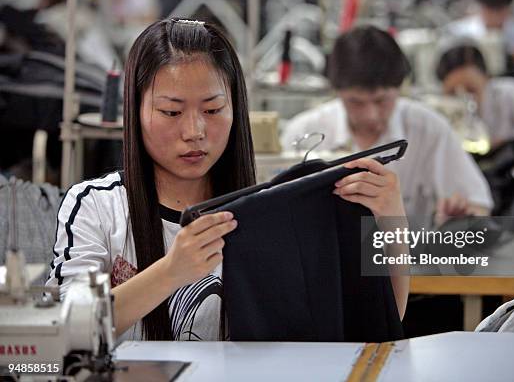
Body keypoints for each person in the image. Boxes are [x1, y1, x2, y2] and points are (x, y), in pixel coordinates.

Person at [46, 18, 409, 341]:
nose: (194, 130)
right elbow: (64, 333)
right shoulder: (95, 205)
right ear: (135, 110)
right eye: (171, 111)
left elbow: (379, 318)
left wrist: (392, 219)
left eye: (213, 109)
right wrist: (171, 272)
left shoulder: (275, 208)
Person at [281, 25, 494, 228]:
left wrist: (458, 222)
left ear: (400, 89)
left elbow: (479, 206)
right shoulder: (303, 133)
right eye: (356, 102)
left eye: (382, 101)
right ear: (336, 91)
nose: (371, 115)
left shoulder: (428, 130)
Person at [436, 44, 514, 148]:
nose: (464, 98)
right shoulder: (440, 109)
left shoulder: (509, 91)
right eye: (452, 93)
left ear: (486, 78)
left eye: (471, 90)